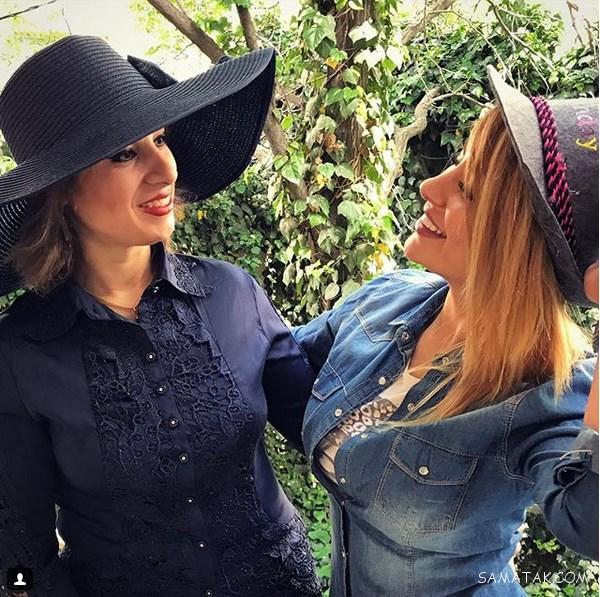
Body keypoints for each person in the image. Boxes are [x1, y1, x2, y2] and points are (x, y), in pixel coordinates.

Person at [0, 36, 322, 597]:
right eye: (125, 153)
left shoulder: (232, 293)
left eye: (160, 139)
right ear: (61, 191)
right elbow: (19, 556)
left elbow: (325, 430)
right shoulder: (20, 354)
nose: (165, 169)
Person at [293, 67, 599, 596]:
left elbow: (589, 525)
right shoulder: (385, 300)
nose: (428, 186)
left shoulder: (553, 389)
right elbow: (269, 362)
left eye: (470, 189)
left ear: (520, 246)